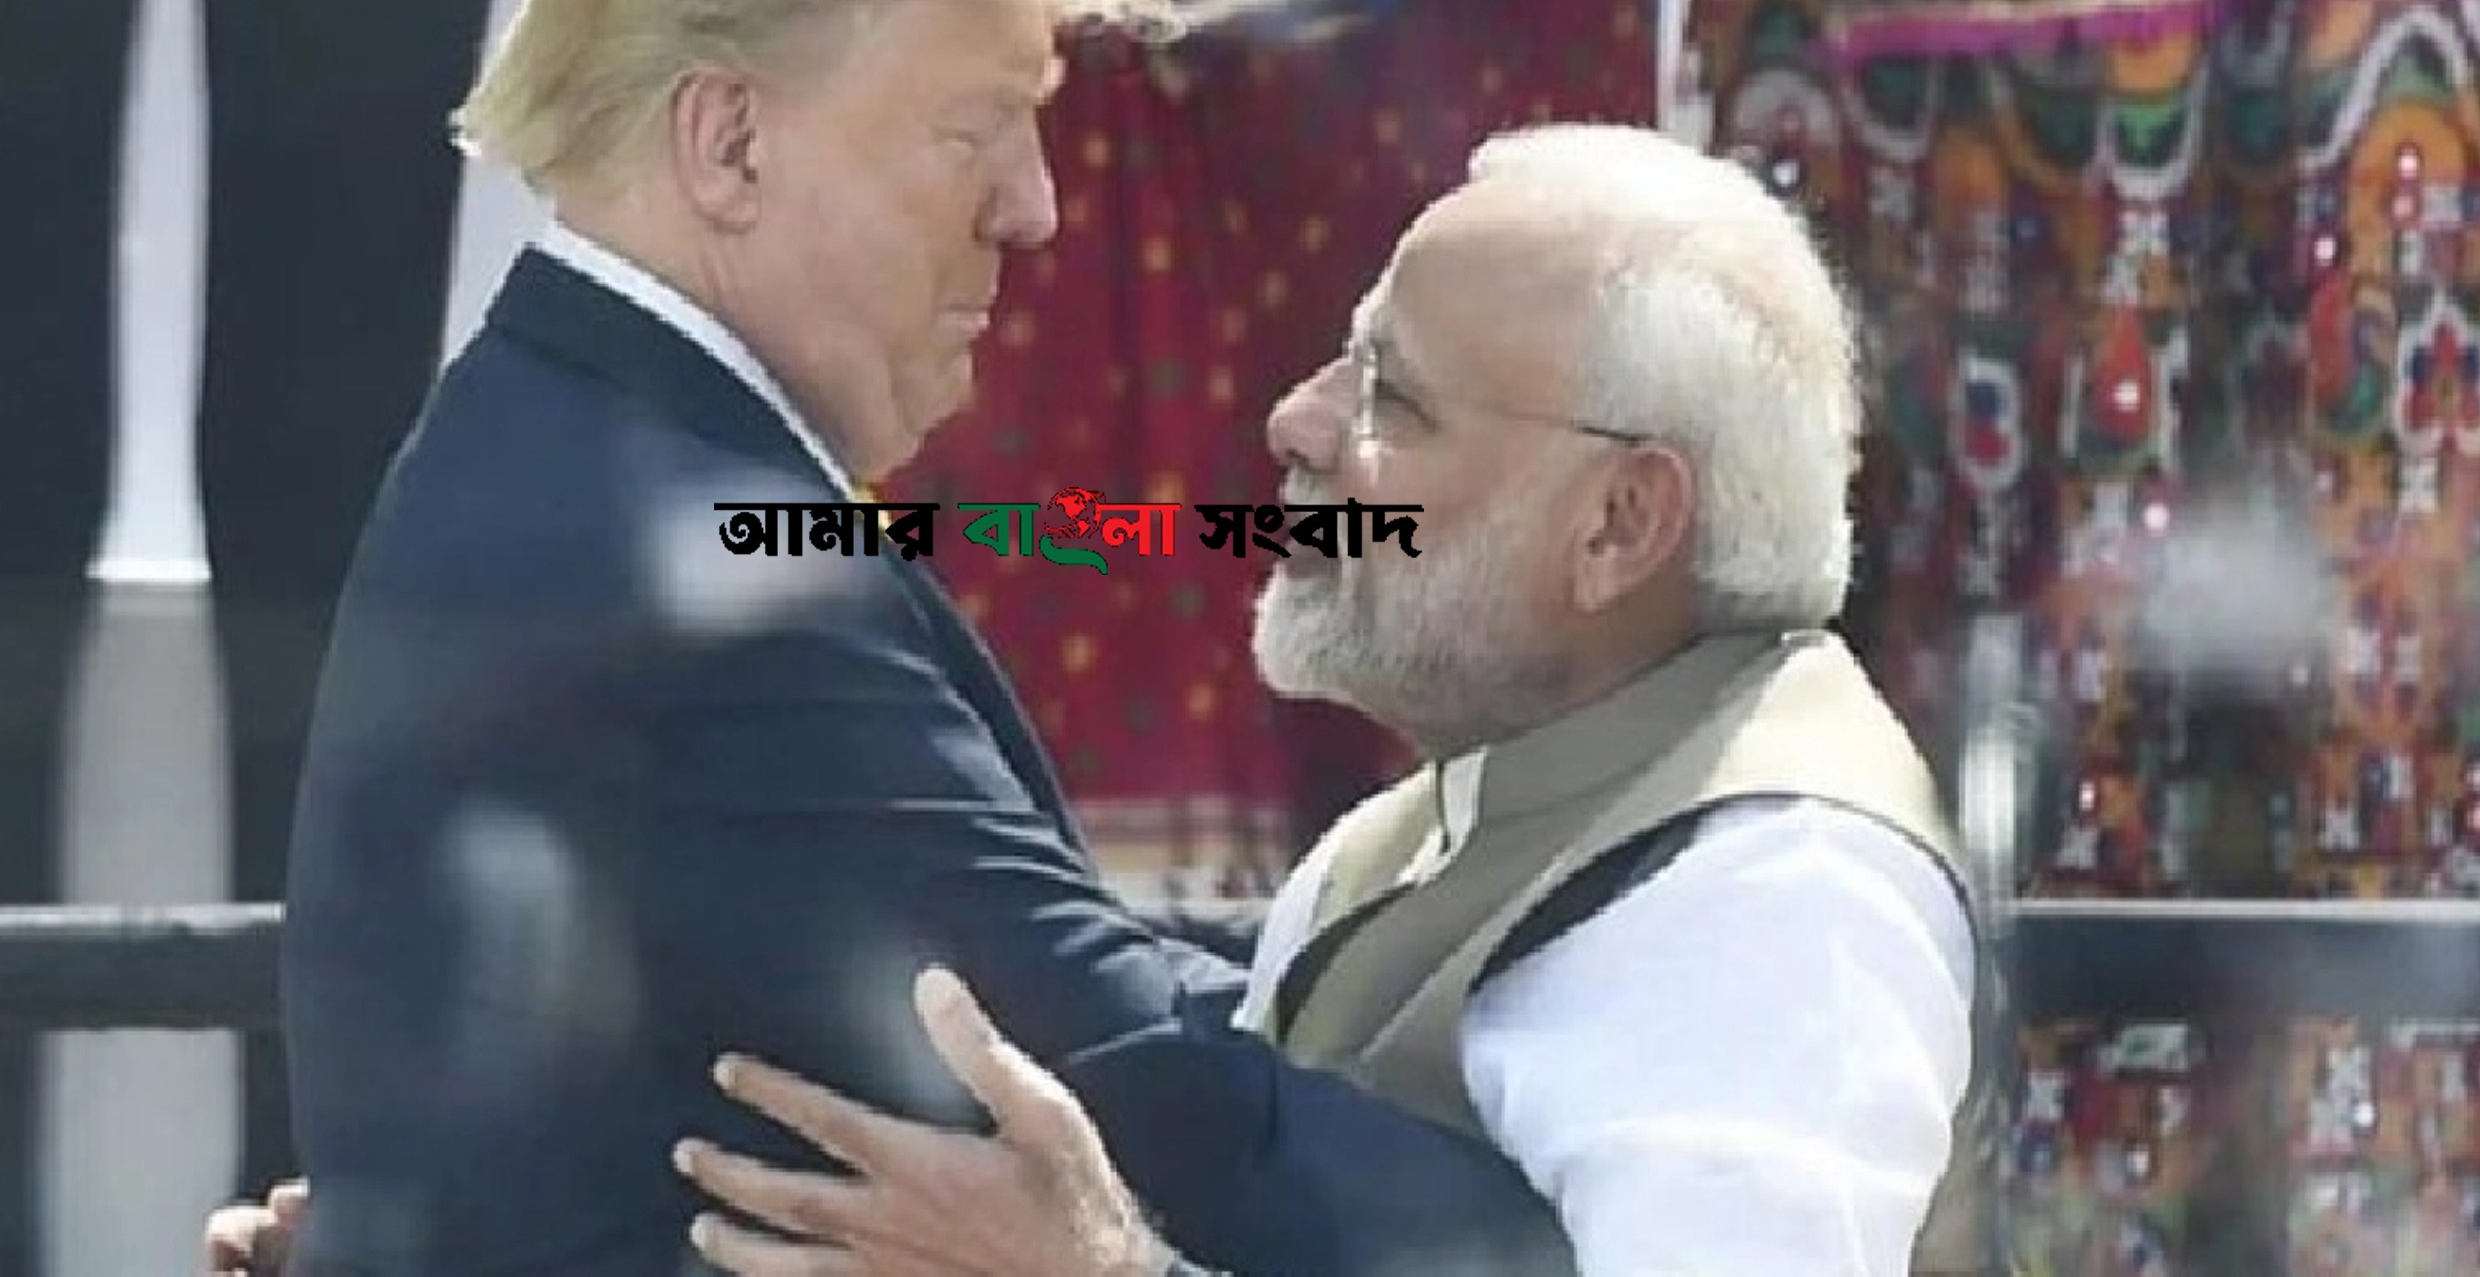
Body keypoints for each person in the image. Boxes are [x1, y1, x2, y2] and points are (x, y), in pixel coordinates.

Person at [221, 113, 1985, 1277]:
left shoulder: (1786, 902)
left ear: (1620, 524)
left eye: (1397, 399)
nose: (1299, 424)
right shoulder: (1448, 821)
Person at [266, 0, 1576, 1277]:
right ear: (731, 143)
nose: (1035, 206)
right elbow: (1112, 1061)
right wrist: (1616, 1201)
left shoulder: (582, 439)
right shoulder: (686, 570)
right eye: (973, 128)